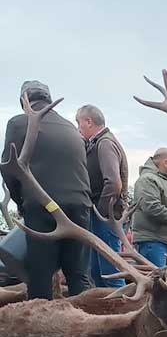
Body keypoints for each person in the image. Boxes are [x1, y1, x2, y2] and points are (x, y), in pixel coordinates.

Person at [1, 80, 92, 299]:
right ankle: (86, 317)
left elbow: (8, 168)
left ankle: (41, 320)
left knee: (40, 275)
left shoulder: (18, 123)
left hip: (44, 207)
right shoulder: (71, 128)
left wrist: (22, 204)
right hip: (80, 208)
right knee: (78, 275)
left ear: (24, 101)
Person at [75, 104, 129, 288]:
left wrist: (100, 212)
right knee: (99, 273)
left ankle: (120, 306)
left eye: (79, 122)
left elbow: (114, 183)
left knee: (110, 274)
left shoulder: (105, 143)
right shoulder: (100, 143)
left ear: (88, 121)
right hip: (105, 217)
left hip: (105, 218)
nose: (78, 128)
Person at [131, 147, 167, 267]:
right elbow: (152, 209)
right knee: (156, 278)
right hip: (153, 242)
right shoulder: (148, 180)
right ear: (165, 162)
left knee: (166, 279)